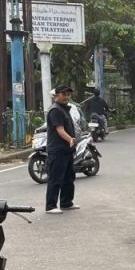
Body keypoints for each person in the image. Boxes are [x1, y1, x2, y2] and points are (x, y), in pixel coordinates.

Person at [45, 85, 79, 214]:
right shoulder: (55, 110)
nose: (67, 97)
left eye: (68, 95)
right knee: (55, 178)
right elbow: (60, 130)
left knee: (68, 177)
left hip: (66, 150)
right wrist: (70, 139)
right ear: (56, 95)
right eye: (64, 94)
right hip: (57, 150)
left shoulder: (64, 109)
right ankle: (50, 206)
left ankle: (66, 202)